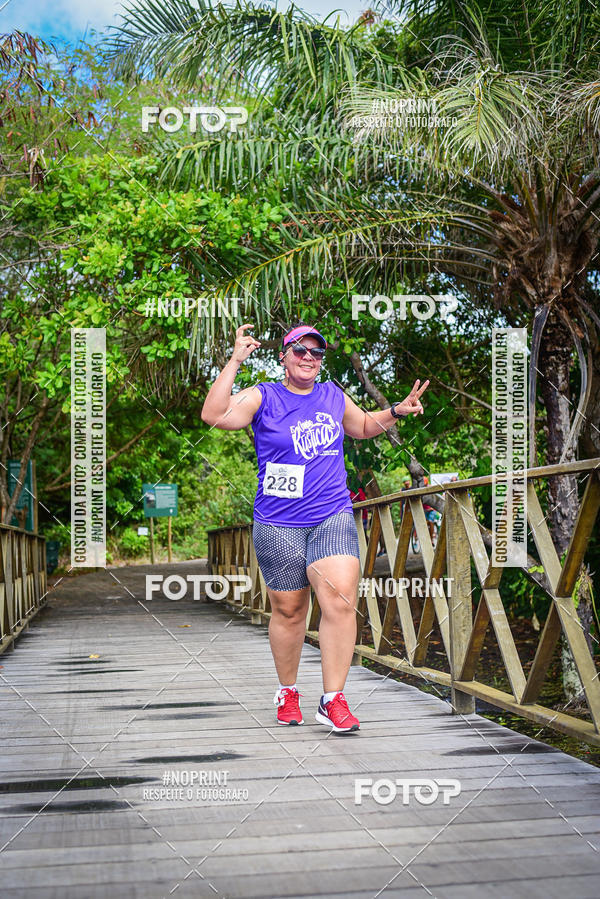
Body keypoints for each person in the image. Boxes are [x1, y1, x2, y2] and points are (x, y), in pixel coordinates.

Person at [201, 323, 429, 733]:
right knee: (290, 611)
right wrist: (235, 360)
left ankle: (333, 699)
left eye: (317, 353)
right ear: (283, 358)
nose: (309, 358)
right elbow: (214, 416)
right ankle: (288, 691)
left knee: (340, 600)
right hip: (278, 522)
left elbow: (360, 426)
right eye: (300, 351)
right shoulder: (264, 395)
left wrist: (395, 411)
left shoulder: (331, 396)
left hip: (331, 513)